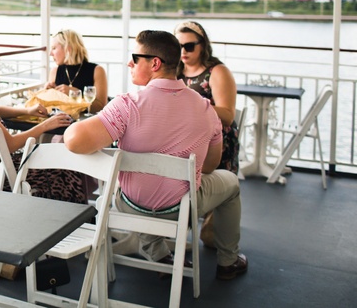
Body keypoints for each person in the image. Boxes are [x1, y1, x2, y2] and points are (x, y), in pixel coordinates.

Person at [63, 30, 248, 281]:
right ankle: (228, 261)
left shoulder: (127, 104)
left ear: (155, 63)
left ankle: (160, 254)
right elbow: (209, 167)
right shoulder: (206, 109)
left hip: (130, 205)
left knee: (143, 187)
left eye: (135, 58)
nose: (130, 63)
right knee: (231, 183)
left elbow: (73, 141)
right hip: (181, 208)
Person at [0, 38, 87, 203]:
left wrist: (27, 110)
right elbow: (10, 144)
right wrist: (45, 125)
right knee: (66, 167)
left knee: (52, 158)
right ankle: (70, 219)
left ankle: (44, 209)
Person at [174, 21, 239, 174]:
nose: (183, 51)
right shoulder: (175, 72)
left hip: (215, 142)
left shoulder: (217, 72)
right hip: (184, 137)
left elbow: (228, 116)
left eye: (189, 46)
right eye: (178, 46)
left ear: (202, 45)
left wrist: (193, 104)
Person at [45, 29, 108, 112]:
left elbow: (100, 107)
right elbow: (52, 108)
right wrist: (47, 93)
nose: (50, 53)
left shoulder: (97, 71)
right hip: (62, 121)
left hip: (86, 122)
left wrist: (76, 94)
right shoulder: (54, 72)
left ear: (68, 49)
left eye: (54, 48)